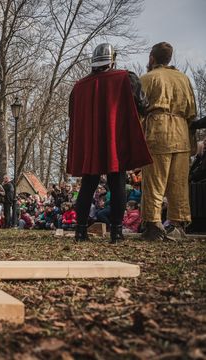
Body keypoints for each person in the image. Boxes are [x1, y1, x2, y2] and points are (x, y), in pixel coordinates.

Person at [67, 43, 152, 243]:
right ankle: (116, 232)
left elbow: (72, 113)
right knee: (117, 183)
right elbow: (143, 105)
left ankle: (80, 232)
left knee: (88, 185)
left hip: (91, 142)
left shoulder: (79, 86)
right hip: (115, 138)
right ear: (112, 59)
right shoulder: (125, 77)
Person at [140, 42, 197, 241]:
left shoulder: (148, 78)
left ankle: (153, 224)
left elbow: (137, 109)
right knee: (179, 183)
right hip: (181, 133)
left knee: (155, 181)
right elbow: (192, 112)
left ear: (152, 58)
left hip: (158, 132)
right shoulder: (184, 79)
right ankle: (178, 225)